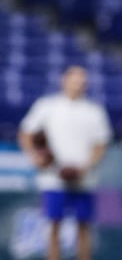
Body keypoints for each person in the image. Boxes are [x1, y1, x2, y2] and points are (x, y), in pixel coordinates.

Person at [17, 65, 112, 260]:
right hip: (53, 177)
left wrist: (86, 167)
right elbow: (25, 132)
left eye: (82, 81)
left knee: (84, 226)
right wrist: (35, 155)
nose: (78, 84)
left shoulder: (94, 110)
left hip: (85, 179)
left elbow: (101, 144)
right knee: (53, 225)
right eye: (74, 79)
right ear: (64, 80)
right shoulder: (47, 105)